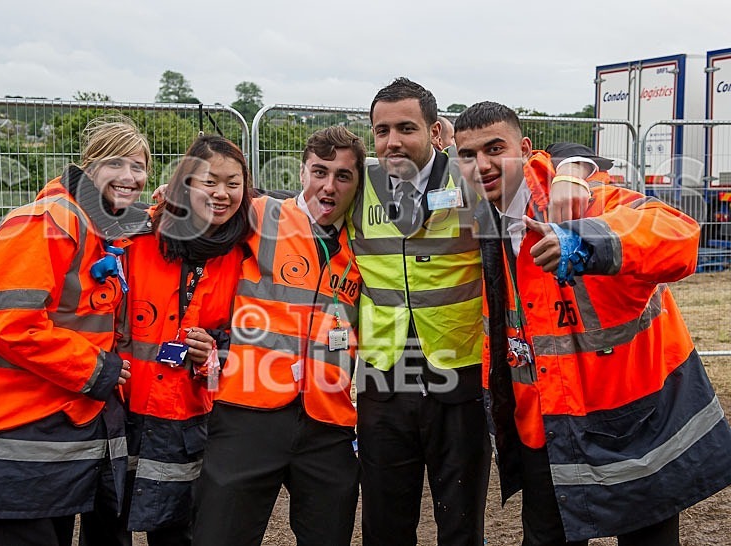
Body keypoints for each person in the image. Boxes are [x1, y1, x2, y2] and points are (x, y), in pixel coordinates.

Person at [453, 100, 731, 545]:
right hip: (549, 432)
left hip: (637, 429)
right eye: (468, 155)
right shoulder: (483, 221)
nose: (481, 164)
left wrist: (585, 240)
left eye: (494, 148)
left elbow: (680, 237)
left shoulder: (585, 201)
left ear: (524, 149)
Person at [348, 77, 596, 546]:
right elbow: (296, 207)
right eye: (381, 131)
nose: (392, 141)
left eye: (406, 128)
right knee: (383, 520)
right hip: (384, 377)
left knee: (460, 521)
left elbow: (545, 160)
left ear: (435, 132)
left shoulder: (473, 178)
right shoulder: (359, 187)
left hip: (459, 371)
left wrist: (571, 168)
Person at [0, 116, 153, 546]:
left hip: (46, 422)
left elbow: (144, 221)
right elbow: (10, 322)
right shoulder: (46, 223)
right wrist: (97, 368)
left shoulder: (94, 226)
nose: (130, 177)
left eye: (139, 167)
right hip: (9, 426)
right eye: (116, 163)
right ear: (89, 167)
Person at [192, 126, 366, 546]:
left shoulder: (364, 245)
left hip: (328, 422)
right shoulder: (261, 213)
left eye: (343, 176)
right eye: (319, 171)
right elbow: (196, 209)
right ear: (302, 171)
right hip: (248, 411)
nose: (328, 185)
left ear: (357, 185)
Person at [78, 135, 252, 546]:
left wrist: (213, 353)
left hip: (185, 417)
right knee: (106, 523)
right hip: (118, 407)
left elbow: (240, 340)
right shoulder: (135, 236)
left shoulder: (244, 251)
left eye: (233, 183)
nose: (222, 193)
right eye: (209, 181)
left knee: (176, 529)